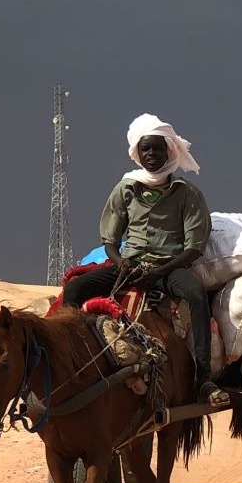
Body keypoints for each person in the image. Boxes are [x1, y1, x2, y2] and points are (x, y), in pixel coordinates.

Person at [63, 114, 216, 392]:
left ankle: (203, 375)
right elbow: (110, 239)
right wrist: (120, 262)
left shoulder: (187, 193)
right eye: (146, 149)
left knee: (195, 293)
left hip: (168, 269)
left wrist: (159, 272)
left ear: (169, 151)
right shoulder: (125, 189)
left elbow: (194, 247)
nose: (152, 154)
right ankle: (68, 361)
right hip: (129, 266)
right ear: (137, 152)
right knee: (74, 289)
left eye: (158, 149)